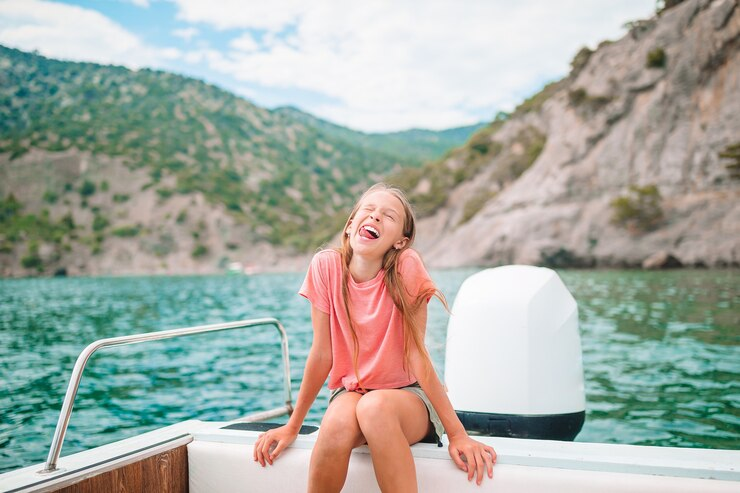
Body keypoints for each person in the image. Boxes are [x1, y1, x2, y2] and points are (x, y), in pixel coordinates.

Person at [252, 183, 496, 491]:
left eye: (388, 216)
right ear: (351, 224)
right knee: (338, 422)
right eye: (368, 210)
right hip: (351, 391)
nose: (375, 217)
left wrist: (457, 434)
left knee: (375, 408)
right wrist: (292, 426)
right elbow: (322, 353)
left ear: (400, 241)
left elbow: (416, 356)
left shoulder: (407, 267)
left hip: (408, 396)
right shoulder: (325, 266)